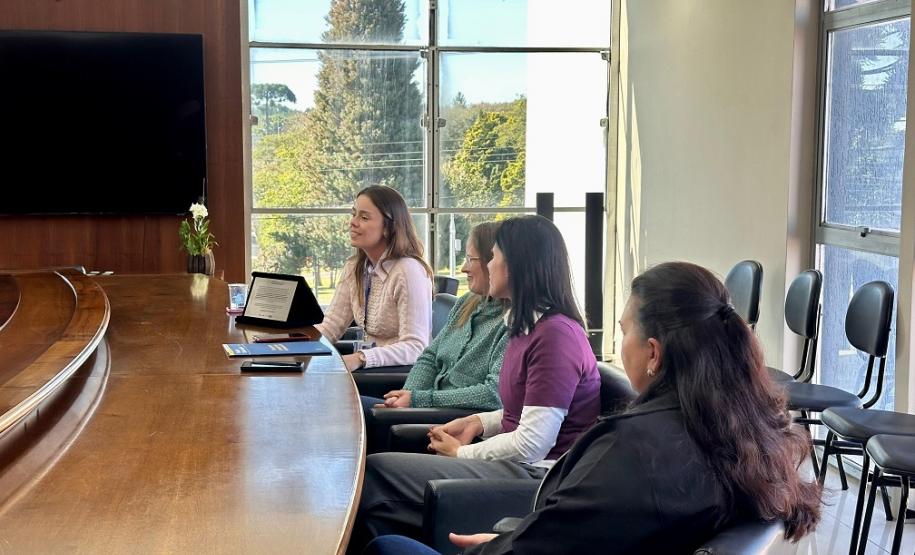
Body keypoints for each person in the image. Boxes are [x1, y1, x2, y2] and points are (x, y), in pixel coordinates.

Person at [361, 261, 823, 555]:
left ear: (655, 353)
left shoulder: (634, 450)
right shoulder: (749, 433)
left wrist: (494, 544)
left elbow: (552, 534)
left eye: (624, 332)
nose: (620, 345)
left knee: (387, 547)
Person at [349, 215, 601, 552]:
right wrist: (477, 421)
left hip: (536, 474)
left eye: (494, 257)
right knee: (376, 477)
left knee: (376, 475)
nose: (486, 265)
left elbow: (533, 443)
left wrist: (462, 452)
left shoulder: (555, 337)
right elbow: (521, 410)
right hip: (516, 462)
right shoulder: (526, 327)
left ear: (515, 266)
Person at [361, 222, 509, 428]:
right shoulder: (467, 302)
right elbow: (429, 358)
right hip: (423, 411)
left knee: (351, 414)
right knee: (347, 409)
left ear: (493, 261)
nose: (463, 267)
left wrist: (418, 401)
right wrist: (407, 400)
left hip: (452, 423)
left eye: (470, 259)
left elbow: (493, 395)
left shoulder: (512, 323)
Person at [316, 185, 433, 371]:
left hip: (395, 378)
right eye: (354, 214)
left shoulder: (408, 271)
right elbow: (331, 327)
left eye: (364, 217)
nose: (352, 222)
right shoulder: (354, 268)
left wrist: (360, 358)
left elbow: (416, 347)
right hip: (370, 370)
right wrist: (290, 345)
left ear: (388, 228)